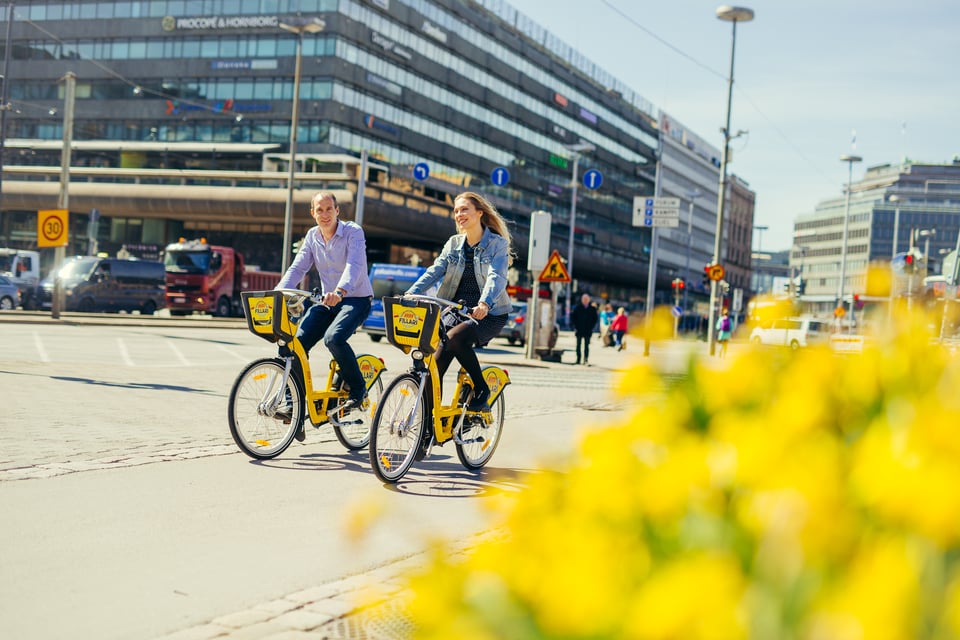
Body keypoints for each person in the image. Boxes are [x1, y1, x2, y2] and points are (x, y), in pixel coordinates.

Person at [405, 192, 513, 411]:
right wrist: (411, 293)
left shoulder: (497, 244)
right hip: (456, 310)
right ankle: (428, 430)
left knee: (454, 338)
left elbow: (496, 276)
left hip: (489, 313)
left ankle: (482, 389)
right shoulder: (454, 244)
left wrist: (484, 304)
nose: (459, 214)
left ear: (479, 213)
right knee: (433, 367)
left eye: (464, 209)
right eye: (456, 211)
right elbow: (435, 271)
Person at [275, 190, 374, 425]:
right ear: (313, 213)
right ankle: (293, 405)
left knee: (334, 338)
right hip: (327, 301)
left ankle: (359, 390)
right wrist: (278, 292)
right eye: (319, 210)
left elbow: (355, 265)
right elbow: (298, 268)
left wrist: (340, 291)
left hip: (355, 299)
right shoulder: (312, 236)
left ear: (337, 211)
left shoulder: (353, 232)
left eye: (329, 208)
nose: (325, 213)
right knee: (294, 345)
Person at [571, 293, 599, 365]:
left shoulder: (592, 309)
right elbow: (573, 318)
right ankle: (578, 359)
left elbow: (595, 319)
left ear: (589, 300)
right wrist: (575, 327)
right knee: (578, 345)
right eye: (584, 299)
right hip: (579, 329)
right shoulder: (578, 308)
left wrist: (591, 327)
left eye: (586, 299)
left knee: (586, 346)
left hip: (588, 330)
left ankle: (585, 359)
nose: (585, 300)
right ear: (582, 300)